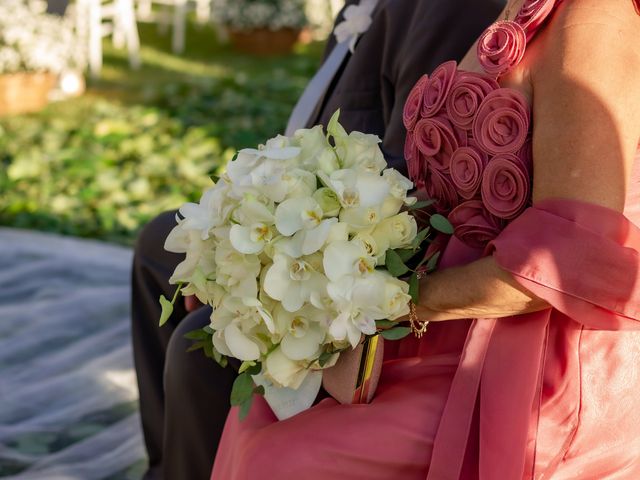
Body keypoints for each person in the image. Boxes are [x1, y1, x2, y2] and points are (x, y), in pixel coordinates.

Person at [211, 0, 640, 478]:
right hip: (458, 314)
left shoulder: (595, 19)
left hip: (547, 354)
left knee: (286, 457)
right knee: (258, 416)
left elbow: (572, 263)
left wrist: (388, 303)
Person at [131, 0, 505, 478]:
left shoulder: (444, 11)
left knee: (193, 344)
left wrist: (260, 267)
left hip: (354, 250)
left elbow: (411, 178)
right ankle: (166, 464)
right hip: (304, 212)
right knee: (159, 246)